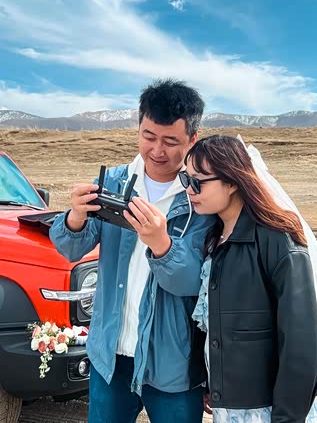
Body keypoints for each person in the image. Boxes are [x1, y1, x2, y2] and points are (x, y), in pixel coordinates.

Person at [49, 79, 215, 423]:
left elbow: (192, 283)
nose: (157, 150)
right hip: (110, 356)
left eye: (171, 141)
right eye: (148, 137)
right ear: (138, 128)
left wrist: (160, 243)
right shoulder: (113, 181)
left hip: (172, 365)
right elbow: (70, 248)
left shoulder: (200, 198)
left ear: (192, 139)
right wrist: (75, 218)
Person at [183, 135, 317, 423]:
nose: (188, 190)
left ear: (232, 181)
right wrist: (211, 381)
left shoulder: (277, 238)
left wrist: (287, 417)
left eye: (197, 182)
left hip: (270, 410)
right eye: (185, 179)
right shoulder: (213, 238)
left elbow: (300, 339)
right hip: (230, 406)